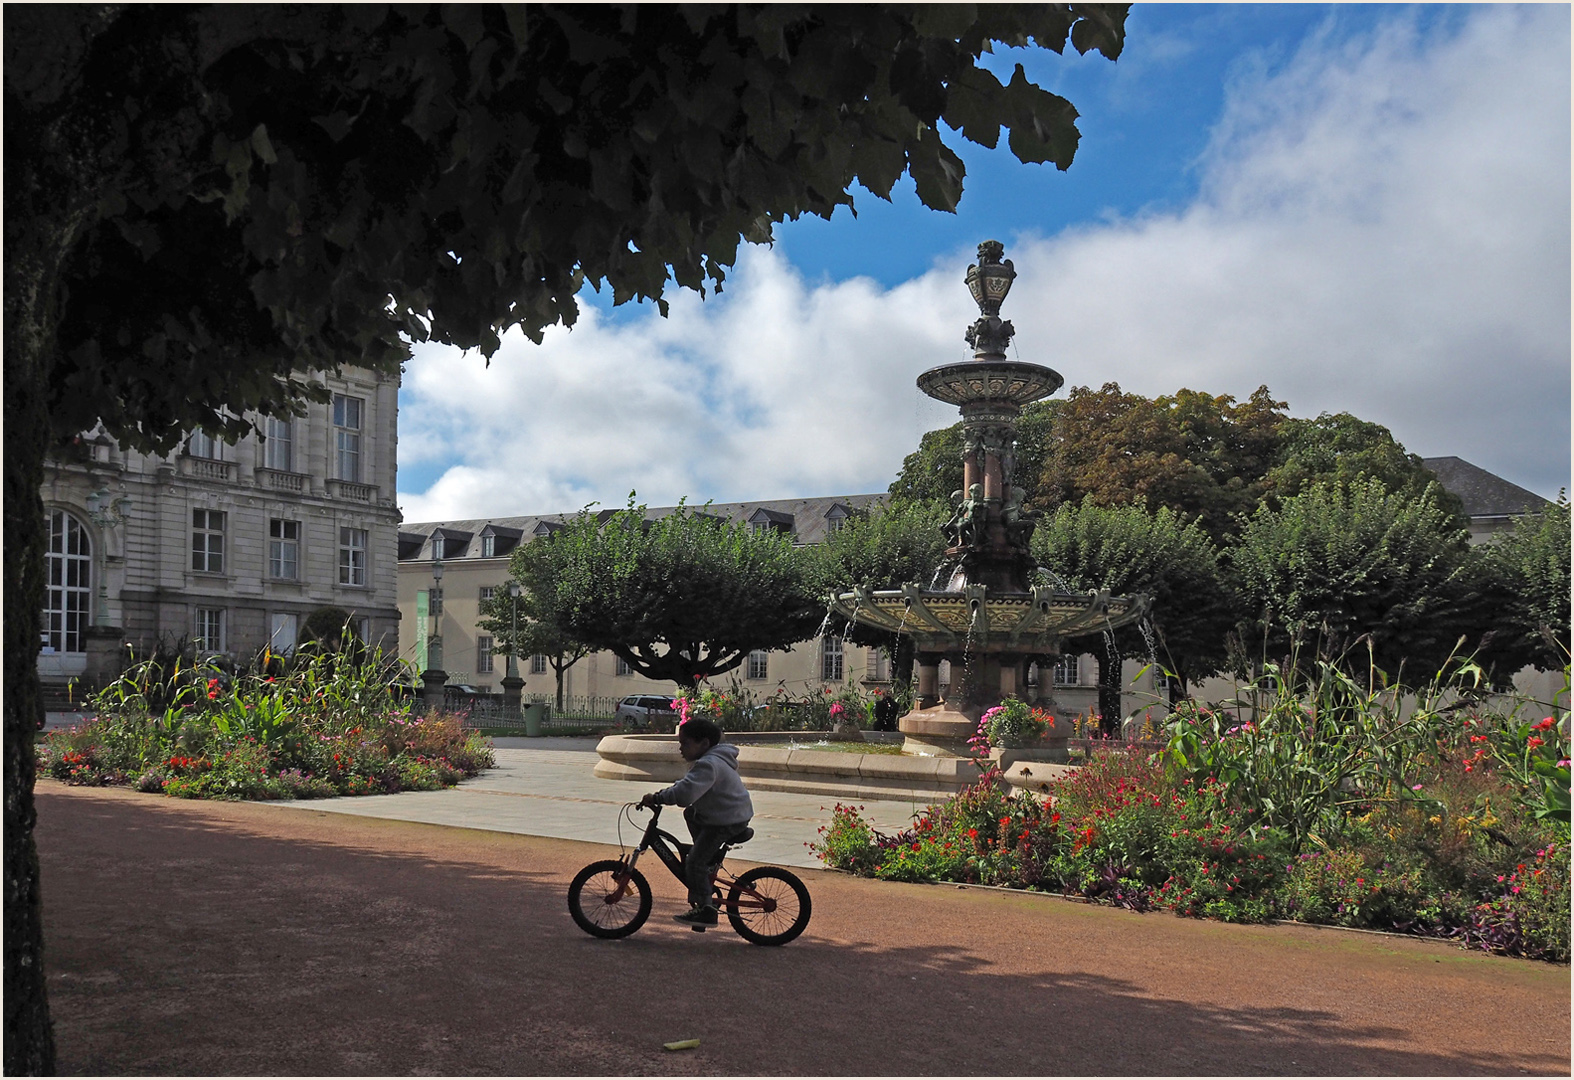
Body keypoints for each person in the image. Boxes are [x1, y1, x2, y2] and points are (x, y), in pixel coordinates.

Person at [638, 716, 753, 929]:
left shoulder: (709, 764)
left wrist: (657, 798)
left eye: (685, 743)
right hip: (728, 815)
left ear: (705, 744)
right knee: (690, 814)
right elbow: (686, 785)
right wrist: (663, 793)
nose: (681, 748)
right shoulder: (710, 761)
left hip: (726, 820)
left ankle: (706, 910)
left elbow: (685, 794)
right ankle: (705, 858)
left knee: (695, 863)